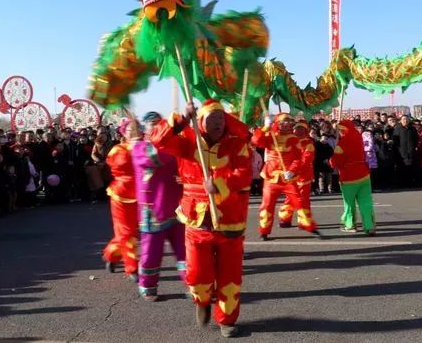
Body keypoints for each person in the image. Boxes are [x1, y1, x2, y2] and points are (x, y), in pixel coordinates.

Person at [168, 100, 253, 338]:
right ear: (201, 121)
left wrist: (219, 184)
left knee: (230, 276)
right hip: (197, 219)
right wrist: (183, 118)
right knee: (198, 274)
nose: (217, 122)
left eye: (221, 118)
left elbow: (244, 174)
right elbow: (159, 141)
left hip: (231, 219)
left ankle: (227, 319)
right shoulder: (187, 142)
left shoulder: (237, 144)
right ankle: (202, 300)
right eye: (211, 118)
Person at [132, 112, 185, 301]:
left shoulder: (173, 145)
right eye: (151, 124)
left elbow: (186, 165)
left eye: (159, 124)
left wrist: (185, 178)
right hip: (153, 210)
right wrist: (170, 136)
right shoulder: (139, 147)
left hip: (178, 209)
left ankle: (196, 285)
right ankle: (148, 285)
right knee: (151, 254)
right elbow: (155, 159)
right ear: (145, 128)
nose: (155, 127)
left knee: (186, 252)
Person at [252, 113, 320, 240]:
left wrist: (292, 170)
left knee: (299, 201)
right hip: (271, 177)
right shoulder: (271, 136)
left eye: (289, 121)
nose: (288, 123)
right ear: (278, 123)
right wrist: (265, 127)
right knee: (267, 205)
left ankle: (309, 226)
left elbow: (298, 158)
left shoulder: (294, 139)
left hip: (288, 178)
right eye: (285, 121)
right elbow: (256, 141)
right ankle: (264, 230)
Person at [103, 119, 139, 282]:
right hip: (121, 196)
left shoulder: (144, 146)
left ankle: (111, 254)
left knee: (131, 233)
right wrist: (135, 149)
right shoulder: (117, 149)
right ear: (123, 132)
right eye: (131, 130)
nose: (134, 132)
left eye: (137, 129)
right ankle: (132, 267)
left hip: (142, 195)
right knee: (126, 233)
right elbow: (119, 164)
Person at [331, 120, 375, 235]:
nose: (339, 133)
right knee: (366, 202)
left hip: (349, 177)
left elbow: (336, 163)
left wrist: (332, 157)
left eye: (340, 130)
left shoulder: (342, 143)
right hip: (364, 175)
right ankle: (369, 226)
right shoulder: (359, 138)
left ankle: (350, 225)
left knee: (349, 203)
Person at [278, 121, 316, 229]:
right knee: (289, 198)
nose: (298, 130)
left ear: (305, 131)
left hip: (303, 175)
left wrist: (293, 170)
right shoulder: (290, 141)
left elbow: (306, 159)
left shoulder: (309, 144)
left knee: (303, 199)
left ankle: (303, 221)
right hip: (290, 175)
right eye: (296, 128)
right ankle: (285, 219)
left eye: (301, 129)